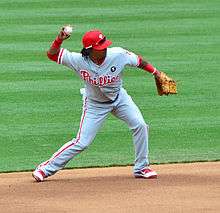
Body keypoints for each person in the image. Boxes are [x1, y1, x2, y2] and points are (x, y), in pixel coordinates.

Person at [32, 26, 161, 182]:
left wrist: (156, 73)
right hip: (95, 104)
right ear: (89, 50)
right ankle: (45, 169)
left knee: (140, 125)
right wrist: (59, 39)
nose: (105, 48)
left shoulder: (118, 54)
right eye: (100, 47)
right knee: (82, 142)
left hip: (120, 99)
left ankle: (141, 168)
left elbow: (139, 61)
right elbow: (52, 55)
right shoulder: (78, 60)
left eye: (105, 44)